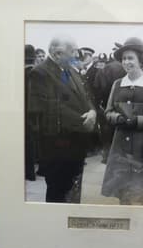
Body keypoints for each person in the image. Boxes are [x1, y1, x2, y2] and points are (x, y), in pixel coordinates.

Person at [27, 36, 96, 203]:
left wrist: (92, 112)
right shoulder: (40, 73)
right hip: (57, 149)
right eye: (73, 52)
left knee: (73, 192)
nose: (77, 56)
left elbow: (86, 97)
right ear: (58, 54)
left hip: (76, 145)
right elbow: (50, 108)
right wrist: (83, 122)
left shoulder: (71, 70)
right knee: (58, 193)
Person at [101, 37, 143, 205]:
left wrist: (141, 121)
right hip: (121, 144)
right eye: (123, 58)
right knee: (124, 194)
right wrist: (118, 118)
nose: (126, 62)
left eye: (130, 58)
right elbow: (108, 112)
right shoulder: (117, 84)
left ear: (140, 60)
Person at [25, 44, 36, 181]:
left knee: (27, 143)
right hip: (35, 114)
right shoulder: (38, 73)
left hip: (24, 114)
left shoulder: (20, 74)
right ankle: (31, 173)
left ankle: (29, 173)